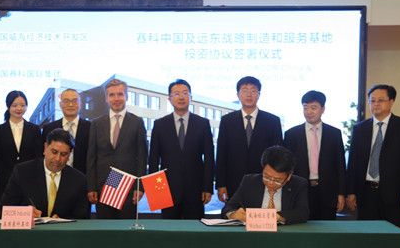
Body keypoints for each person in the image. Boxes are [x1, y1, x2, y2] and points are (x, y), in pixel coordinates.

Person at [346, 84, 400, 228]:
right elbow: (353, 163)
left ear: (391, 102)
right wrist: (351, 192)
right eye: (372, 101)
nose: (376, 104)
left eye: (380, 100)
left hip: (394, 194)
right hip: (365, 193)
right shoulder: (360, 128)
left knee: (392, 235)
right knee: (367, 234)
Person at [148, 79, 214, 219]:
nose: (181, 97)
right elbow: (153, 159)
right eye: (176, 94)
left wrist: (207, 187)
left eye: (185, 93)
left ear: (191, 97)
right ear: (169, 99)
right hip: (167, 189)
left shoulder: (203, 124)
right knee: (169, 229)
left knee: (195, 229)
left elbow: (209, 158)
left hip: (196, 190)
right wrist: (155, 191)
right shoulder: (160, 125)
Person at [86, 79, 147, 219]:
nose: (116, 98)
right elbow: (91, 157)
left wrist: (140, 186)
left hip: (128, 187)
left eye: (120, 94)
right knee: (105, 229)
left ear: (127, 96)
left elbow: (142, 157)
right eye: (112, 95)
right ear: (106, 98)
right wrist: (91, 187)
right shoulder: (96, 123)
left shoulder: (137, 122)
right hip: (103, 187)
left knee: (127, 228)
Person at [216, 76, 283, 203]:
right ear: (238, 94)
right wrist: (221, 184)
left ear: (259, 94)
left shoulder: (272, 121)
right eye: (245, 90)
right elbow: (221, 154)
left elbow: (278, 155)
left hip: (265, 182)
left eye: (253, 90)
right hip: (233, 182)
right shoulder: (227, 121)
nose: (249, 94)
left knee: (261, 215)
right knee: (236, 214)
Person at [0, 128, 89, 219]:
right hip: (31, 227)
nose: (57, 159)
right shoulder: (22, 172)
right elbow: (5, 208)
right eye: (54, 152)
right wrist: (25, 213)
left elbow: (82, 216)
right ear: (45, 148)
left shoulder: (79, 180)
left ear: (69, 155)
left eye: (63, 154)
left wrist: (64, 220)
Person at [284, 90, 346, 220]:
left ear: (323, 109)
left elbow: (340, 165)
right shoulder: (291, 134)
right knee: (301, 225)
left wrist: (341, 193)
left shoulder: (334, 133)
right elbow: (287, 166)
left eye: (313, 108)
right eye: (305, 107)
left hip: (327, 191)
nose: (309, 112)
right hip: (300, 190)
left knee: (327, 227)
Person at [222, 145, 308, 225]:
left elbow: (303, 213)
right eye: (266, 177)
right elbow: (228, 208)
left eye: (277, 180)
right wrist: (233, 214)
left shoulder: (298, 184)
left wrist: (277, 216)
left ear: (289, 176)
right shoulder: (249, 181)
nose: (270, 183)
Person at [0, 90, 43, 203]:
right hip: (5, 181)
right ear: (8, 106)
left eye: (22, 105)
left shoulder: (34, 129)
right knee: (6, 211)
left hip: (30, 180)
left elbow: (38, 155)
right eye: (15, 105)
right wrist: (5, 174)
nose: (19, 108)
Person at [42, 88, 90, 174]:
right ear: (60, 105)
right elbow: (43, 156)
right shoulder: (49, 128)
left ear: (80, 104)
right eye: (66, 101)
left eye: (74, 101)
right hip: (53, 177)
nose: (70, 104)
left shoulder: (91, 128)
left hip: (83, 178)